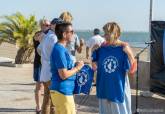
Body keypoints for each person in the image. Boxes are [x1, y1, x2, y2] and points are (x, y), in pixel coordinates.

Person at [92, 22, 135, 114]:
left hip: (118, 88)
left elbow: (132, 70)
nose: (104, 37)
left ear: (114, 34)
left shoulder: (123, 47)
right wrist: (93, 52)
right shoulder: (102, 47)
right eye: (104, 34)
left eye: (107, 34)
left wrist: (129, 54)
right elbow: (95, 67)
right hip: (104, 87)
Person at [50, 22, 84, 114]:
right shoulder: (59, 50)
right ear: (64, 34)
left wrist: (73, 66)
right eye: (71, 31)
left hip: (62, 91)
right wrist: (77, 68)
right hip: (62, 91)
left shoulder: (61, 49)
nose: (73, 34)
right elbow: (63, 75)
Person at [37, 18, 63, 114]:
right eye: (60, 26)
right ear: (55, 26)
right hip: (51, 73)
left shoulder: (47, 36)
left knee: (46, 100)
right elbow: (56, 54)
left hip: (44, 72)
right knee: (54, 102)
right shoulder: (54, 37)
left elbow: (39, 50)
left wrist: (45, 58)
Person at [33, 31, 45, 114]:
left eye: (48, 25)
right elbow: (35, 37)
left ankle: (44, 105)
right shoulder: (38, 35)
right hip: (39, 64)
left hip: (46, 64)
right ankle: (38, 107)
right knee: (39, 85)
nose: (47, 26)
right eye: (45, 25)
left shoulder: (48, 36)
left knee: (46, 86)